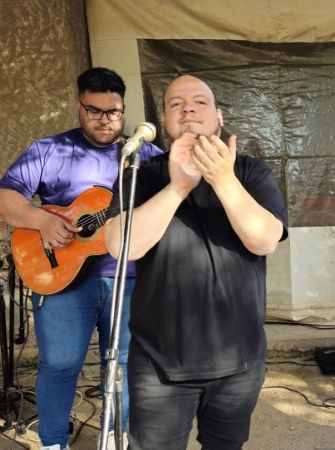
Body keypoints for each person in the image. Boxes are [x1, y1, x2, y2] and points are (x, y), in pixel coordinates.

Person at [104, 74, 287, 449]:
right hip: (158, 362)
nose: (187, 107)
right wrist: (178, 187)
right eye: (175, 103)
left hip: (239, 360)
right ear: (164, 121)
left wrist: (222, 179)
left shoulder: (250, 173)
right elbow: (122, 247)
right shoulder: (141, 173)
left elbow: (265, 239)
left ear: (219, 117)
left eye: (200, 102)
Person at [0, 67, 162, 449]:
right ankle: (54, 442)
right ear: (78, 106)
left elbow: (176, 199)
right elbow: (6, 198)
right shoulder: (49, 150)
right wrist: (40, 221)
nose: (105, 120)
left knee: (121, 366)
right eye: (95, 111)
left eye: (114, 112)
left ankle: (114, 436)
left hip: (130, 277)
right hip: (61, 278)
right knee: (58, 365)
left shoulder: (147, 157)